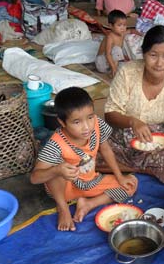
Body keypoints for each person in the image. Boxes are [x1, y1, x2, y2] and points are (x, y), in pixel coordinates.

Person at [30, 87, 138, 232]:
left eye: (90, 117)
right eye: (76, 122)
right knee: (57, 169)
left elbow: (105, 149)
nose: (86, 127)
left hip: (89, 182)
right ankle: (63, 209)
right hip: (64, 190)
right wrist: (57, 169)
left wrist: (119, 177)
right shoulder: (56, 144)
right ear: (62, 122)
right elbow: (35, 178)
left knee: (131, 183)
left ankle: (88, 204)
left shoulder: (97, 125)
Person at [99, 25, 164, 185]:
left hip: (153, 140)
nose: (159, 63)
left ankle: (128, 167)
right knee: (86, 153)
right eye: (153, 55)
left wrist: (163, 142)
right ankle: (143, 168)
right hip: (121, 137)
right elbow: (110, 114)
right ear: (143, 53)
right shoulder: (127, 73)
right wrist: (133, 122)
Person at [95, 9, 129, 77]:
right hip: (102, 63)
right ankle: (113, 72)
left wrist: (141, 33)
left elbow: (131, 31)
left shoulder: (122, 33)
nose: (122, 28)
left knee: (128, 64)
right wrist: (113, 68)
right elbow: (108, 54)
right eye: (119, 25)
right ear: (111, 26)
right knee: (117, 49)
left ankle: (114, 69)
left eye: (124, 25)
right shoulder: (110, 37)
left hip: (111, 63)